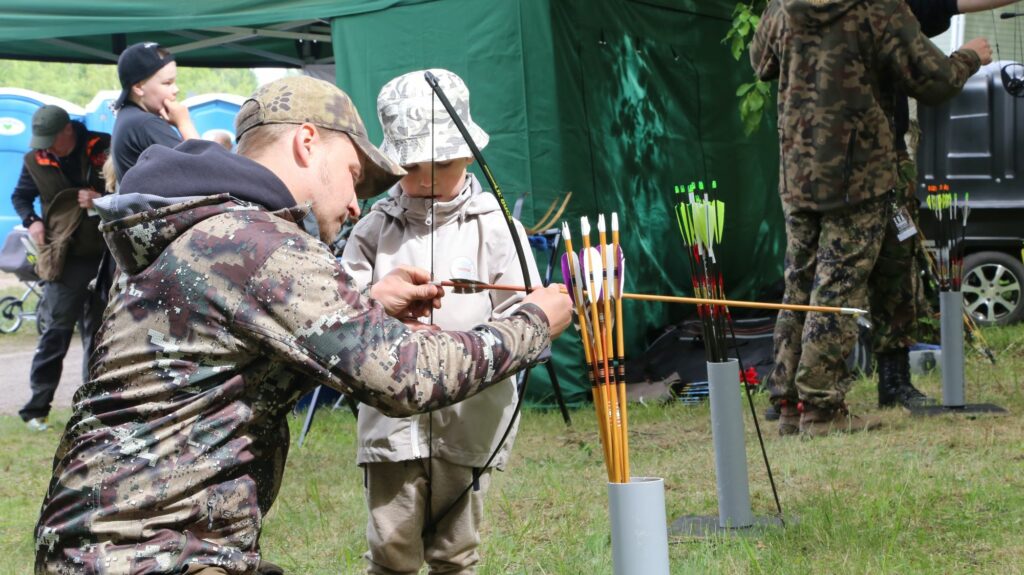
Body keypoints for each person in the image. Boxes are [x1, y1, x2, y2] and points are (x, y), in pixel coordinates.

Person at [33, 75, 572, 574]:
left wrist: (368, 304)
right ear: (308, 142)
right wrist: (531, 322)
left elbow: (243, 349)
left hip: (116, 540)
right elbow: (407, 376)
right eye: (354, 177)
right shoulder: (260, 245)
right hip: (150, 552)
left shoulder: (203, 225)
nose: (356, 207)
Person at [750, 0, 990, 436]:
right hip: (858, 171)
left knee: (800, 279)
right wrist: (971, 56)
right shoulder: (878, 7)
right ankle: (821, 408)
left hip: (799, 167)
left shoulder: (783, 4)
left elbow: (760, 62)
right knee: (838, 285)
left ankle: (787, 401)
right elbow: (933, 79)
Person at [342, 69, 540, 575]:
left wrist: (465, 345)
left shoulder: (497, 227)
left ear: (470, 154)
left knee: (456, 552)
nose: (427, 178)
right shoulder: (371, 230)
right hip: (391, 428)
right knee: (391, 550)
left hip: (470, 421)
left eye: (443, 163)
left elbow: (526, 318)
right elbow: (339, 316)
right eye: (412, 165)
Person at [872, 0, 1017, 409]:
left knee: (894, 263)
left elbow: (946, 3)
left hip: (873, 156)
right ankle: (806, 391)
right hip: (866, 159)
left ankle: (889, 379)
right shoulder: (867, 11)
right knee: (836, 272)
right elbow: (933, 80)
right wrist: (968, 56)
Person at [10, 105, 109, 431]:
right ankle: (36, 409)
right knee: (55, 334)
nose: (47, 148)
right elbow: (21, 196)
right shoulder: (35, 159)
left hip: (102, 256)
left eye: (51, 140)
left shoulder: (102, 147)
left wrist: (101, 198)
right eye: (42, 142)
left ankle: (91, 410)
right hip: (64, 260)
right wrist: (32, 221)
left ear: (68, 130)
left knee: (98, 336)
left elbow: (129, 188)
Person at [110, 41, 199, 182]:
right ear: (138, 87)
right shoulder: (145, 123)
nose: (176, 90)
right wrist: (184, 123)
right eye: (167, 83)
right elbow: (204, 168)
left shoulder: (128, 117)